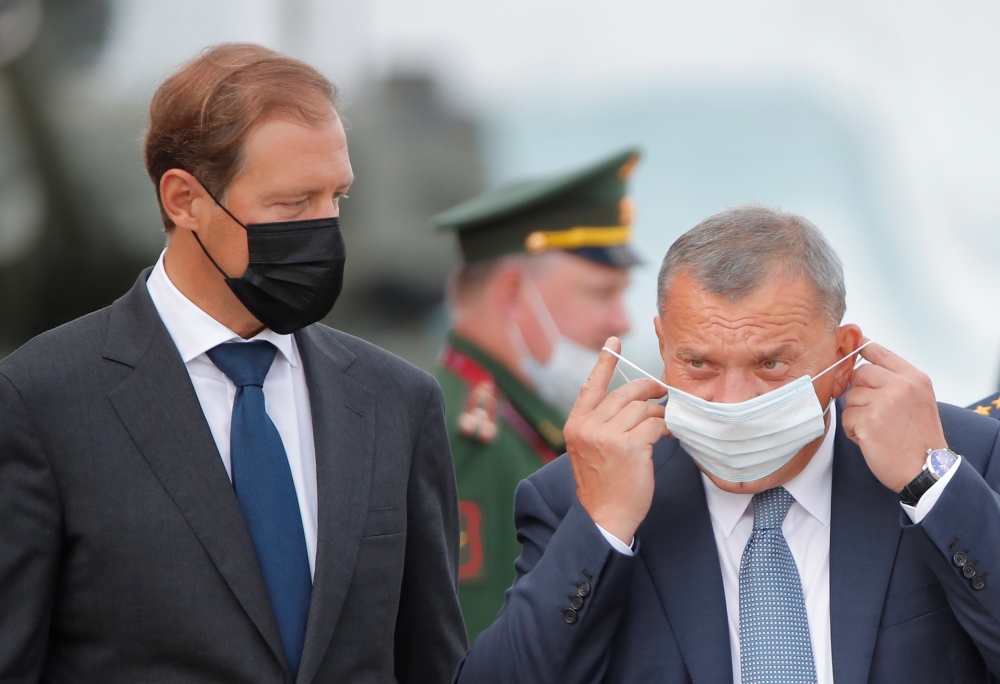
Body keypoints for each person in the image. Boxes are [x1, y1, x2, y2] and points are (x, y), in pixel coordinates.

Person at [0, 43, 466, 683]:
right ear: (183, 199)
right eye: (292, 203)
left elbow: (432, 662)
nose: (324, 229)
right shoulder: (42, 402)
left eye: (337, 197)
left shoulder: (398, 401)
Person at [453, 205, 1000, 683]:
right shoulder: (581, 493)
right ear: (662, 345)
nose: (733, 400)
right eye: (699, 364)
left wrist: (931, 484)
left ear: (843, 354)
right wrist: (603, 525)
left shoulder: (960, 459)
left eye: (771, 364)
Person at [432, 149, 641, 641]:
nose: (623, 321)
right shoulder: (463, 437)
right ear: (511, 294)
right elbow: (475, 644)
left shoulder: (523, 420)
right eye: (600, 292)